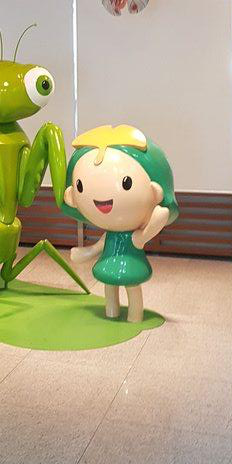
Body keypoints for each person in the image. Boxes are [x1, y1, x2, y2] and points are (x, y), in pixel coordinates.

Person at [62, 124, 178, 322]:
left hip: (131, 263)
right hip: (108, 262)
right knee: (109, 287)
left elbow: (143, 237)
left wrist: (156, 222)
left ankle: (135, 315)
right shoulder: (111, 234)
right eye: (79, 186)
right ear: (71, 195)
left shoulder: (131, 236)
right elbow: (99, 246)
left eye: (126, 183)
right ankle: (111, 311)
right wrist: (87, 252)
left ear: (156, 191)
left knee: (132, 287)